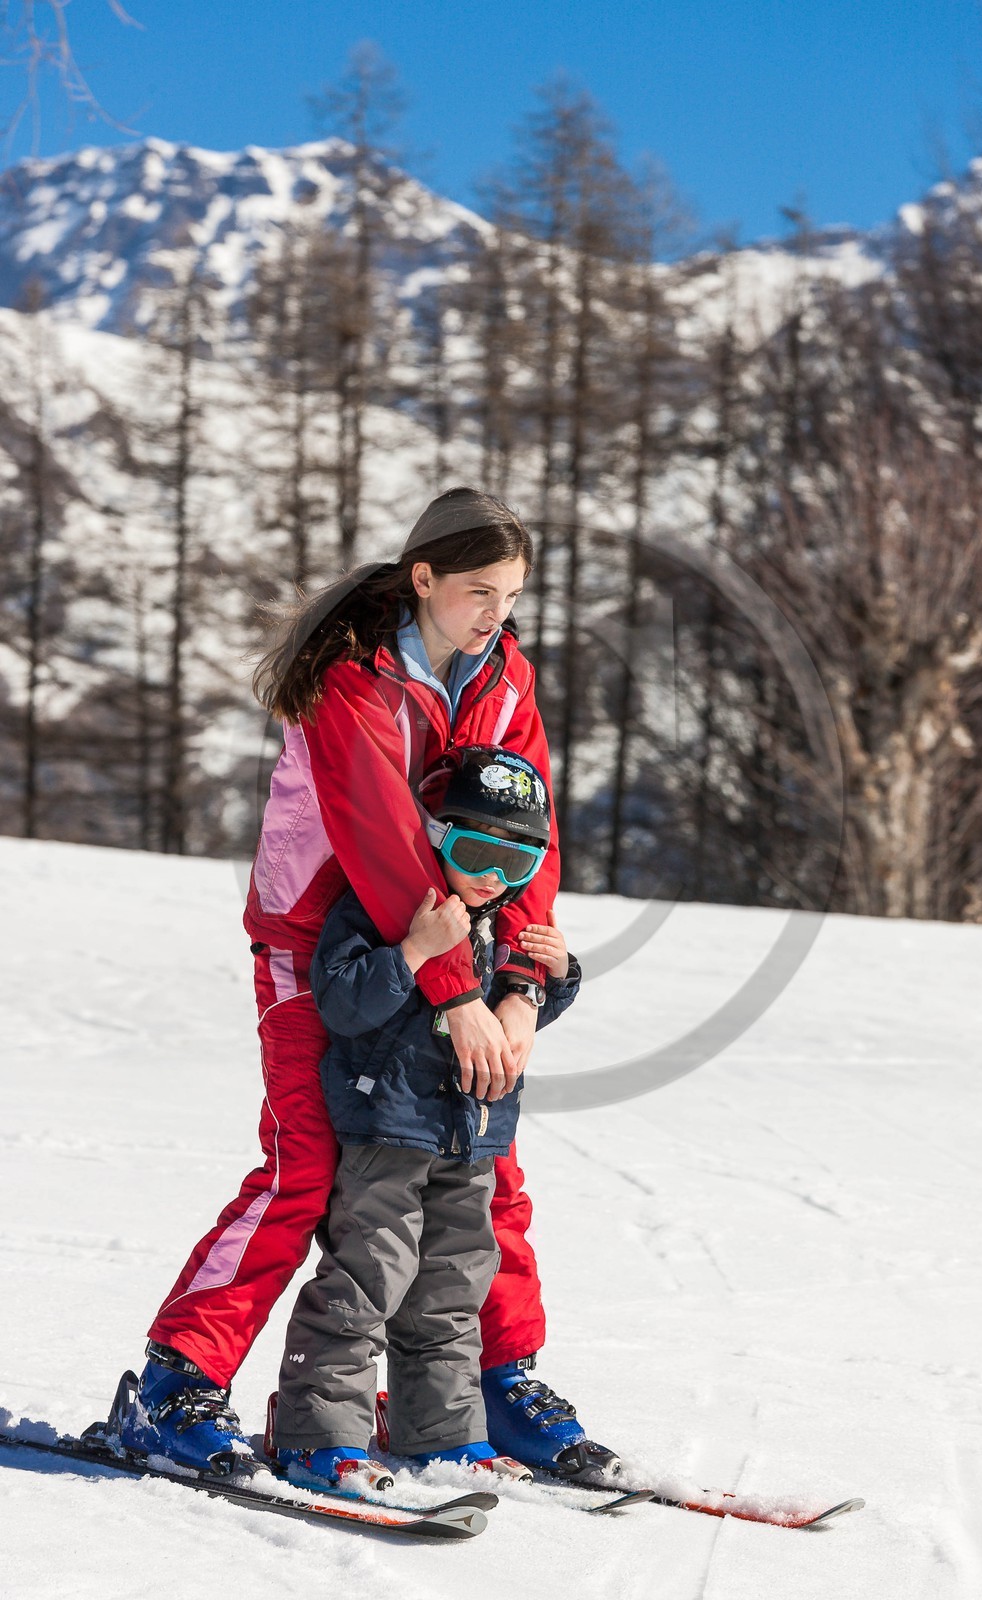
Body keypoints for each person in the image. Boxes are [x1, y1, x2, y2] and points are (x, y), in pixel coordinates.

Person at [118, 487, 616, 1480]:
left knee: (483, 1170)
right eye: (477, 590)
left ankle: (495, 1381)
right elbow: (385, 850)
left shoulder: (502, 675)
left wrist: (518, 985)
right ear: (422, 577)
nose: (494, 614)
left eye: (509, 595)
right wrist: (456, 995)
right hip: (319, 951)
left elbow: (530, 836)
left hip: (458, 957)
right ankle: (175, 1384)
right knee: (304, 1168)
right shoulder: (352, 682)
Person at [270, 747, 582, 1493]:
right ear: (433, 836)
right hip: (387, 1133)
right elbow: (343, 1004)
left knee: (451, 1296)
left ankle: (442, 1437)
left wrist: (558, 977)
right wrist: (412, 950)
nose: (493, 879)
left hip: (472, 1140)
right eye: (477, 853)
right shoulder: (382, 908)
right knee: (366, 1284)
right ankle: (319, 1437)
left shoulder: (502, 921)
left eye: (518, 864)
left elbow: (524, 1017)